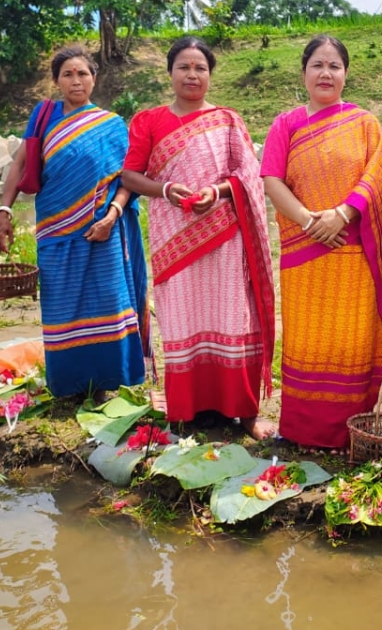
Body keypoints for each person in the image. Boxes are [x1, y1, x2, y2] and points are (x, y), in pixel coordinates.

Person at [121, 36, 276, 440]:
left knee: (230, 316)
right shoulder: (148, 120)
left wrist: (219, 192)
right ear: (170, 72)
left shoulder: (227, 120)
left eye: (200, 68)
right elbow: (131, 175)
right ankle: (187, 409)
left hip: (224, 235)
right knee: (182, 317)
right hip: (174, 237)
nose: (192, 75)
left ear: (210, 75)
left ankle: (242, 412)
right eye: (184, 67)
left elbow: (247, 175)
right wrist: (167, 189)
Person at [261, 35, 382, 451]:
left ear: (345, 73)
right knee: (307, 340)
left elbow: (378, 177)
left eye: (334, 66)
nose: (326, 73)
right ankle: (301, 429)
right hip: (305, 254)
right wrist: (309, 221)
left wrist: (341, 214)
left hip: (353, 251)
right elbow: (272, 179)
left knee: (350, 341)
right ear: (304, 72)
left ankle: (350, 431)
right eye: (317, 65)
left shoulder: (364, 124)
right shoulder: (285, 123)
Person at [0, 45, 148, 400]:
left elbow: (126, 179)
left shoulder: (111, 125)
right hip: (54, 229)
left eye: (83, 74)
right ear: (56, 81)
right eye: (68, 74)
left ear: (94, 79)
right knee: (62, 307)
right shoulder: (44, 117)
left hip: (101, 230)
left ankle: (107, 384)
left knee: (107, 303)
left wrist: (112, 215)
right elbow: (20, 165)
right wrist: (4, 211)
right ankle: (69, 386)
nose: (76, 80)